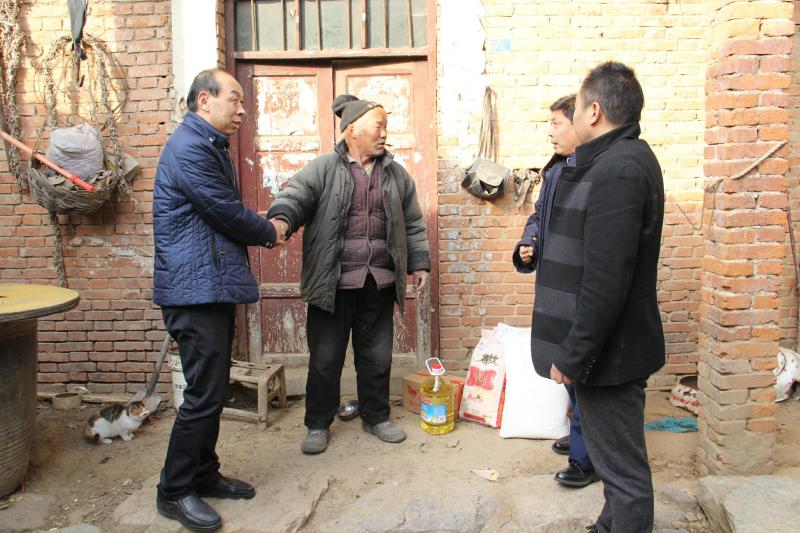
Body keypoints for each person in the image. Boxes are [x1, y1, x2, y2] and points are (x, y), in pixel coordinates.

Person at [529, 62, 665, 533]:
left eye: (577, 107)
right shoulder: (620, 159)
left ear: (593, 111)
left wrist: (576, 353)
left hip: (611, 353)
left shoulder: (619, 168)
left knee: (623, 472)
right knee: (613, 461)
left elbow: (606, 279)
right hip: (610, 349)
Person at [152, 68, 288, 531]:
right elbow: (222, 210)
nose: (242, 109)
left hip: (209, 286)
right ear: (204, 100)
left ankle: (203, 473)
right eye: (234, 98)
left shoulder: (208, 144)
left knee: (212, 387)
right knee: (203, 394)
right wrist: (270, 230)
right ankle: (173, 491)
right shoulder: (190, 147)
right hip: (195, 291)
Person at [267, 94, 430, 455]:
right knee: (325, 360)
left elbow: (413, 222)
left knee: (377, 358)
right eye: (378, 126)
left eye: (386, 127)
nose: (384, 133)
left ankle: (376, 417)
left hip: (378, 282)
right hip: (333, 284)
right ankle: (317, 423)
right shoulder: (324, 168)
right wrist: (281, 221)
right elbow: (295, 196)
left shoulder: (396, 175)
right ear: (352, 130)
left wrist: (418, 262)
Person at [512, 94, 598, 489]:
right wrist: (529, 242)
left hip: (578, 290)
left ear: (580, 123)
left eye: (556, 124)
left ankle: (586, 459)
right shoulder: (557, 171)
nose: (550, 132)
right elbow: (539, 217)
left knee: (583, 372)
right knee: (569, 371)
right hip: (555, 287)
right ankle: (582, 437)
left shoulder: (593, 173)